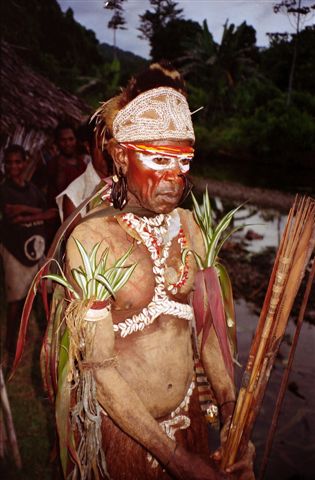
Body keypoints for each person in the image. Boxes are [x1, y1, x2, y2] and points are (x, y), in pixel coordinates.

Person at [44, 63, 255, 479]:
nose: (174, 179)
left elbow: (209, 331)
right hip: (126, 435)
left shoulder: (192, 228)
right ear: (121, 156)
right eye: (158, 159)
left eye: (184, 162)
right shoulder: (92, 240)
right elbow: (98, 369)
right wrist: (176, 460)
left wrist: (232, 411)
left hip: (189, 418)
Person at [0, 145, 56, 367]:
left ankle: (49, 347)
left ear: (24, 163)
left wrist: (26, 212)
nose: (14, 166)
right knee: (16, 302)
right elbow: (11, 216)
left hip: (37, 248)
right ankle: (9, 351)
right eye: (9, 163)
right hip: (15, 250)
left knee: (44, 298)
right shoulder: (3, 190)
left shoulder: (33, 190)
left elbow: (51, 212)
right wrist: (34, 213)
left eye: (17, 162)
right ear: (4, 165)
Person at [55, 118, 112, 223]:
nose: (108, 154)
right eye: (102, 147)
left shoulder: (131, 182)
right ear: (88, 147)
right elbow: (76, 239)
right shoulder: (74, 197)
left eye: (113, 147)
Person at [47, 123, 86, 206]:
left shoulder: (81, 163)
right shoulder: (53, 164)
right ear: (57, 142)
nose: (67, 144)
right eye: (63, 140)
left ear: (76, 140)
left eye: (71, 139)